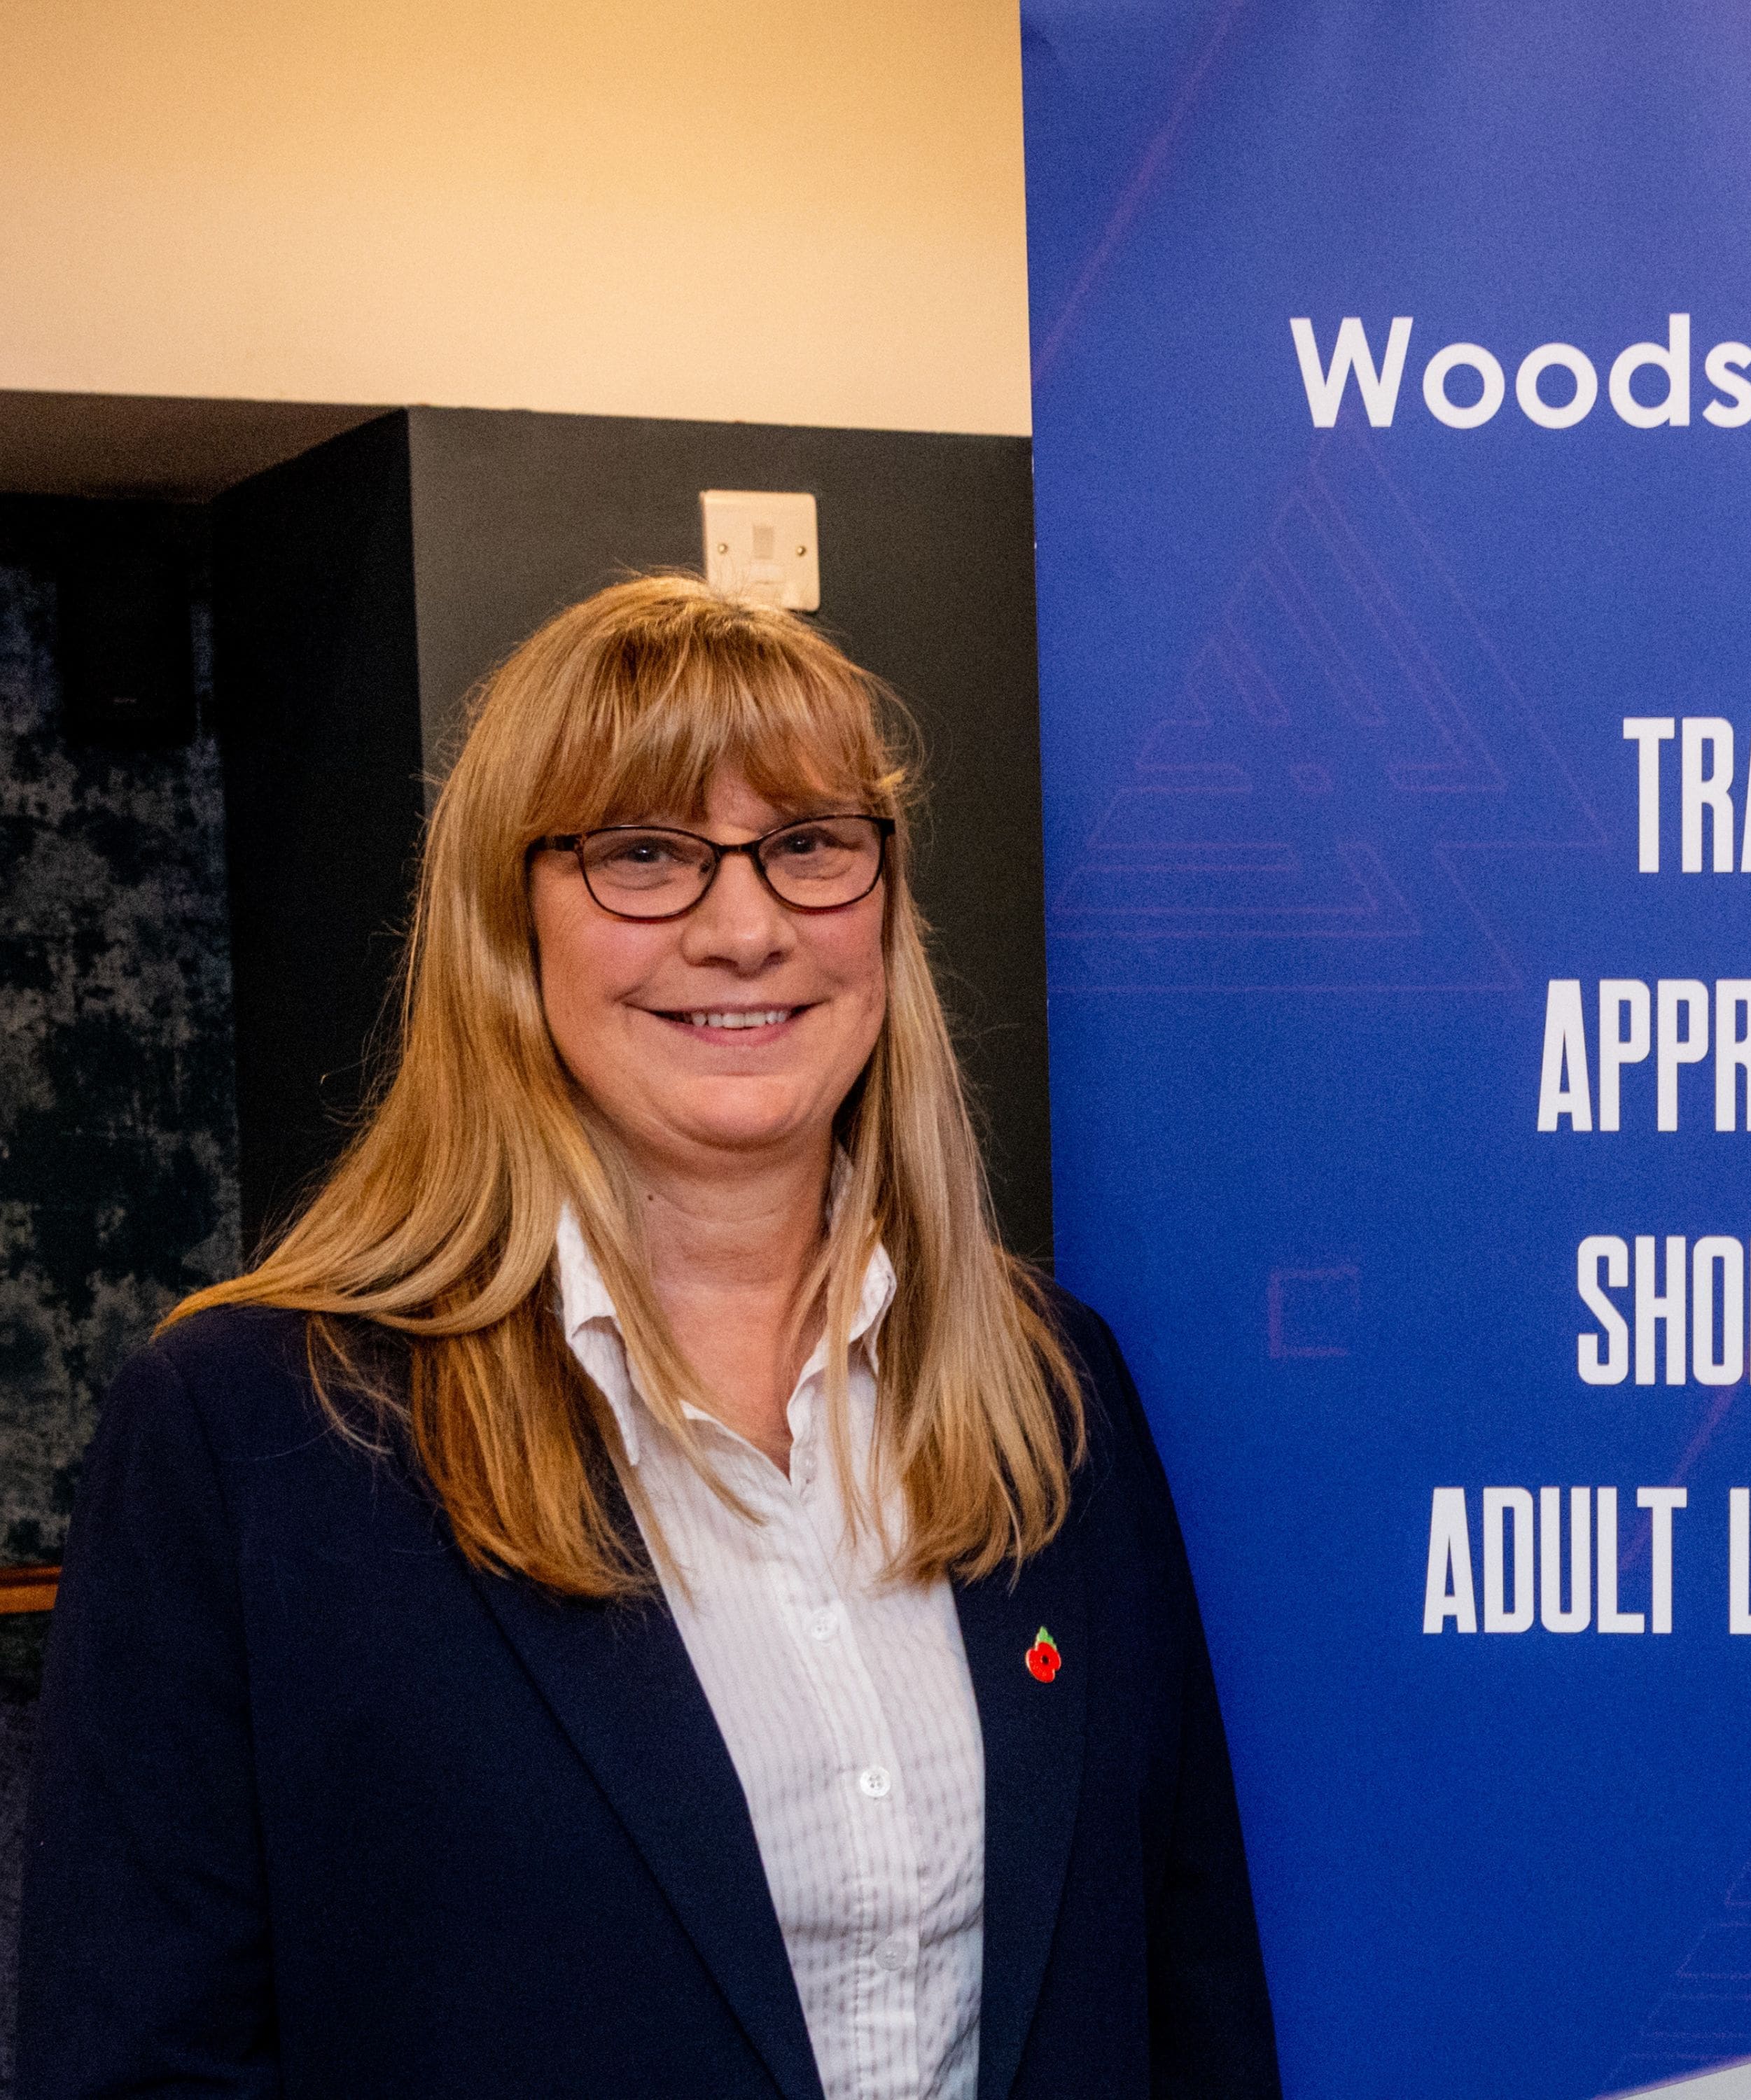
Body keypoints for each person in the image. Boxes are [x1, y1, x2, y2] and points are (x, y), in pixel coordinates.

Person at [20, 576, 1280, 2099]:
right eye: (645, 857)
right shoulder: (251, 1433)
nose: (744, 928)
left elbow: (1184, 1992)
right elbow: (140, 2066)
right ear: (509, 923)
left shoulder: (1046, 1387)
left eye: (810, 846)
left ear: (882, 904)